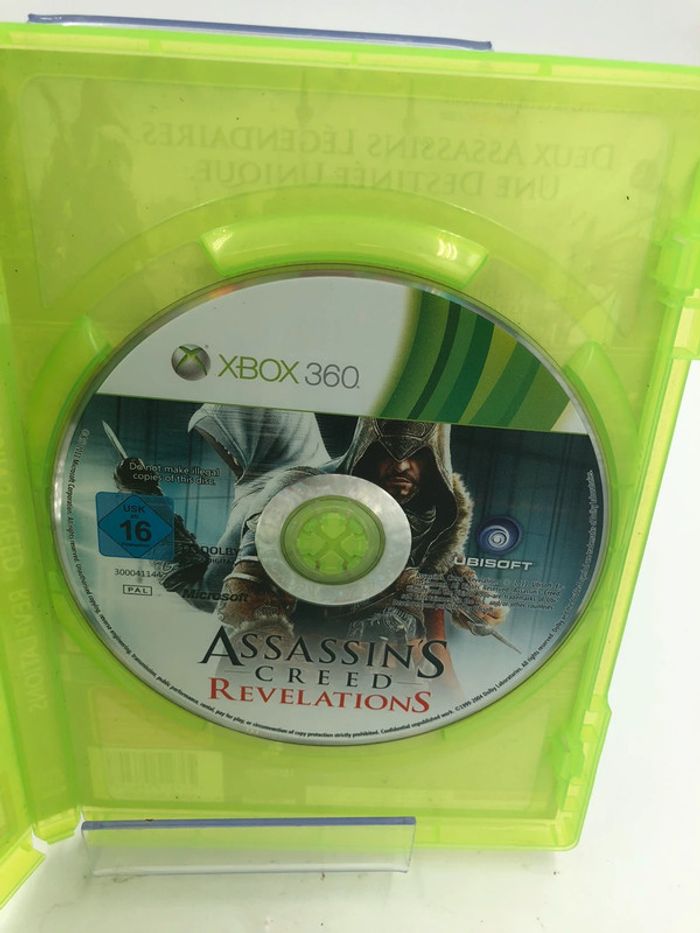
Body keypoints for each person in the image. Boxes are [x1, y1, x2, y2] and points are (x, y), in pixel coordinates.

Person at [114, 405, 507, 646]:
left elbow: (442, 564)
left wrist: (466, 597)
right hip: (280, 600)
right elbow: (241, 600)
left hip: (372, 664)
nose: (402, 466)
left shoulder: (435, 513)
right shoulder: (298, 492)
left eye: (417, 455)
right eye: (387, 452)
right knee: (196, 586)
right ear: (367, 450)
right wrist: (141, 502)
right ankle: (138, 498)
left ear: (434, 460)